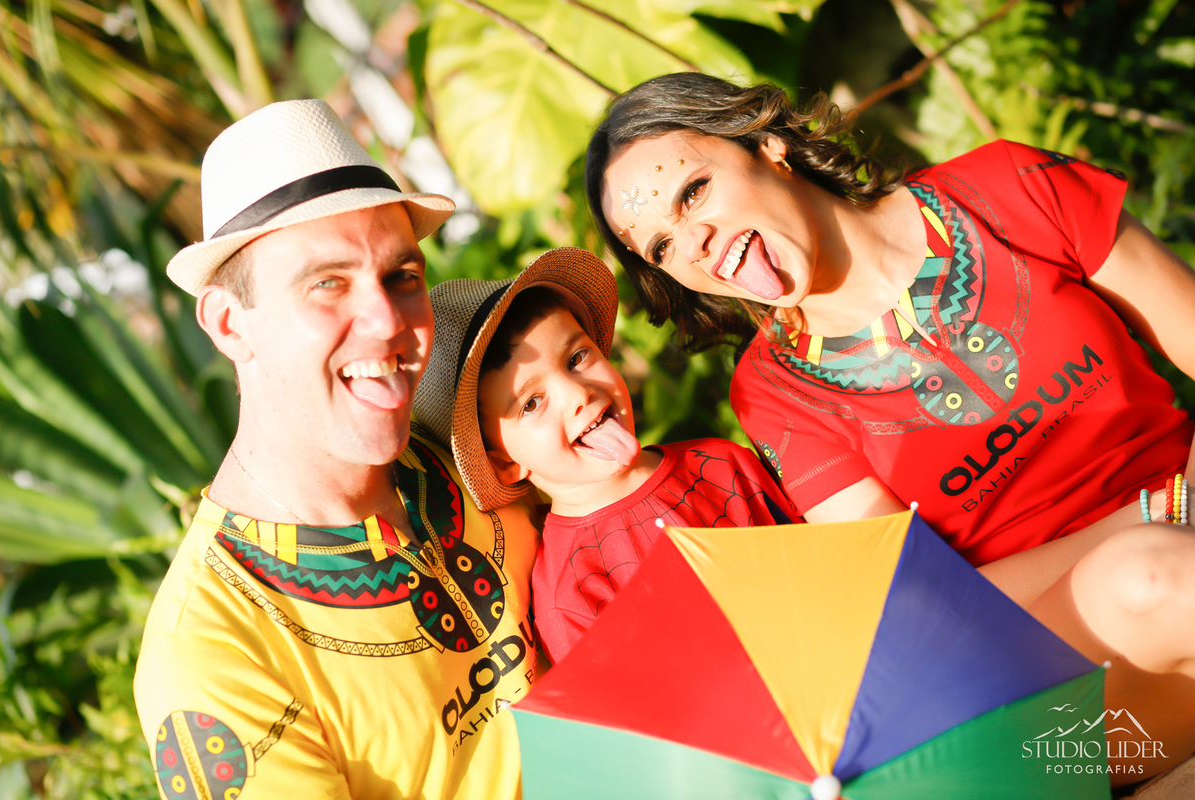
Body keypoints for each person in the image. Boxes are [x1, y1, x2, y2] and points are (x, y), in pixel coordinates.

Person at [585, 73, 1195, 783]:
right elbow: (923, 609)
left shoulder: (1008, 188)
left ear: (767, 145)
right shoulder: (776, 395)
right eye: (659, 247)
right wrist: (1160, 513)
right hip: (1064, 677)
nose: (694, 242)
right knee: (1146, 575)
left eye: (693, 192)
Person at [133, 100, 542, 800]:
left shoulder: (469, 443)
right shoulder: (211, 651)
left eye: (402, 276)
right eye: (328, 284)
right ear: (231, 323)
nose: (387, 321)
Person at [411, 249, 796, 665]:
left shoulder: (721, 462)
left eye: (577, 358)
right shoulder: (573, 591)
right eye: (532, 402)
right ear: (504, 462)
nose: (579, 394)